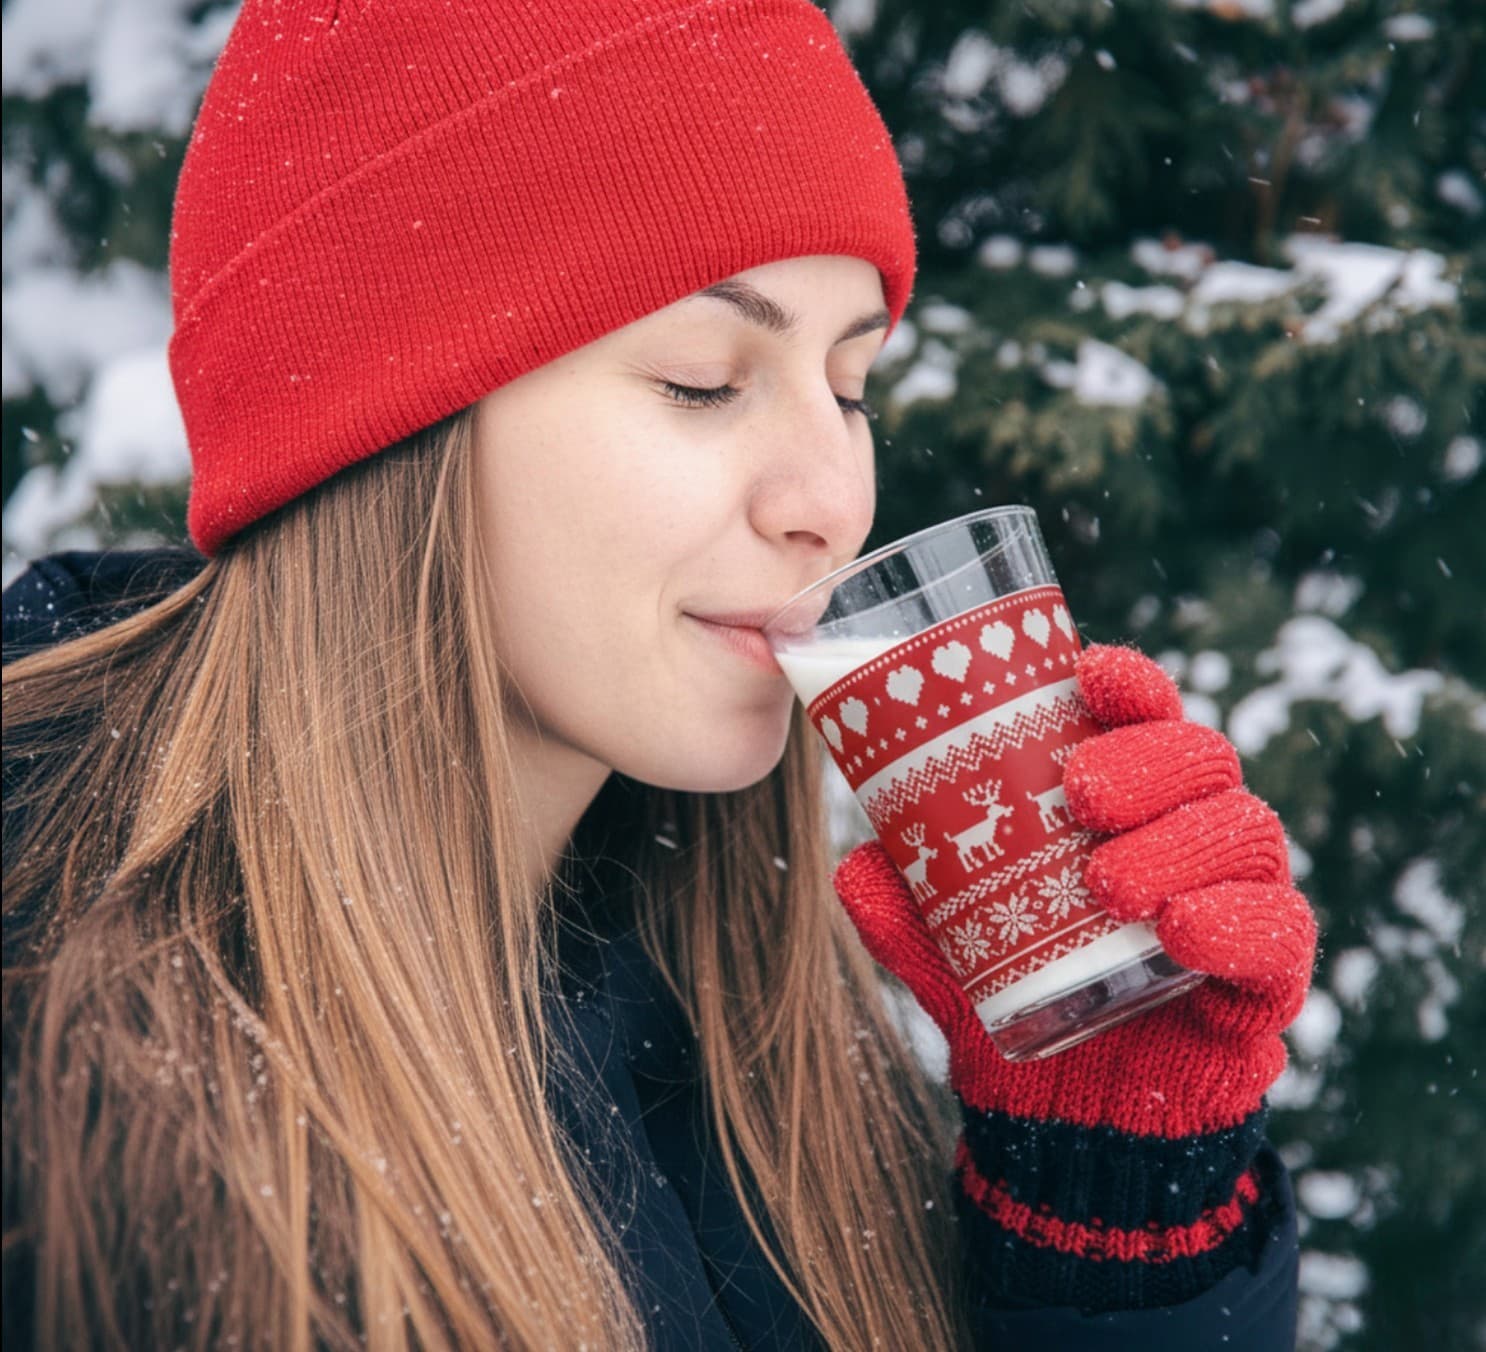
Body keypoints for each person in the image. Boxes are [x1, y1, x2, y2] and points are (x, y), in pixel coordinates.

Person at [1, 1, 1315, 1347]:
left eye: (850, 384)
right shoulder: (59, 1063)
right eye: (702, 378)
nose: (829, 500)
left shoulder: (757, 1057)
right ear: (380, 433)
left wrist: (1104, 1210)